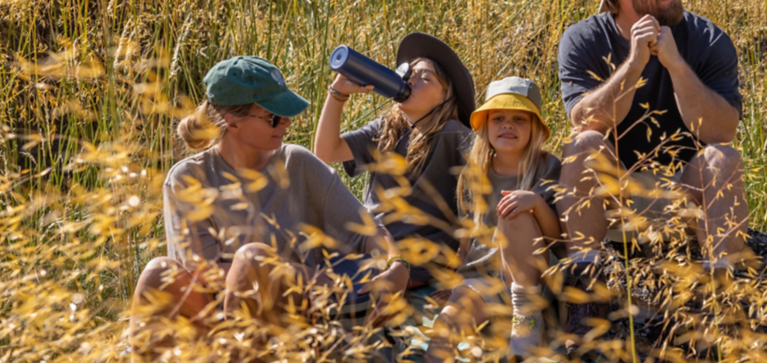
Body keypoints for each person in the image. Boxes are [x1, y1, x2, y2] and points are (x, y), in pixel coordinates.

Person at [129, 56, 410, 359]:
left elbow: (369, 231)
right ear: (231, 121)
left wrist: (397, 265)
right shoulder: (188, 178)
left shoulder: (298, 163)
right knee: (157, 272)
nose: (286, 122)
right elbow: (202, 271)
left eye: (286, 112)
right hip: (214, 326)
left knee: (253, 259)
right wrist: (301, 273)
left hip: (290, 324)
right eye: (273, 116)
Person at [557, 0, 750, 355]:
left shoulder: (706, 38)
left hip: (683, 194)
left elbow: (722, 131)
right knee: (583, 145)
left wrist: (676, 64)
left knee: (723, 158)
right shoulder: (583, 39)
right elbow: (584, 119)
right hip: (615, 197)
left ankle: (720, 307)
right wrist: (634, 62)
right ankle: (585, 303)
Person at [314, 32, 475, 350]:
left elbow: (475, 206)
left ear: (446, 97)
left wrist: (460, 268)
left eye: (424, 76)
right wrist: (338, 93)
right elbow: (325, 151)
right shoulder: (386, 128)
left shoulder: (455, 134)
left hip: (417, 261)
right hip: (371, 247)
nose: (410, 78)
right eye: (408, 72)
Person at [423, 77, 561, 362]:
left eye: (519, 119)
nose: (507, 125)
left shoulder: (547, 167)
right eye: (498, 117)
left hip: (532, 275)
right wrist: (455, 281)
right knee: (444, 329)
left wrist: (534, 202)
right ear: (485, 126)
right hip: (482, 277)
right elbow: (467, 235)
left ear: (535, 127)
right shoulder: (473, 175)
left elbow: (556, 237)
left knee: (512, 211)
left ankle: (526, 317)